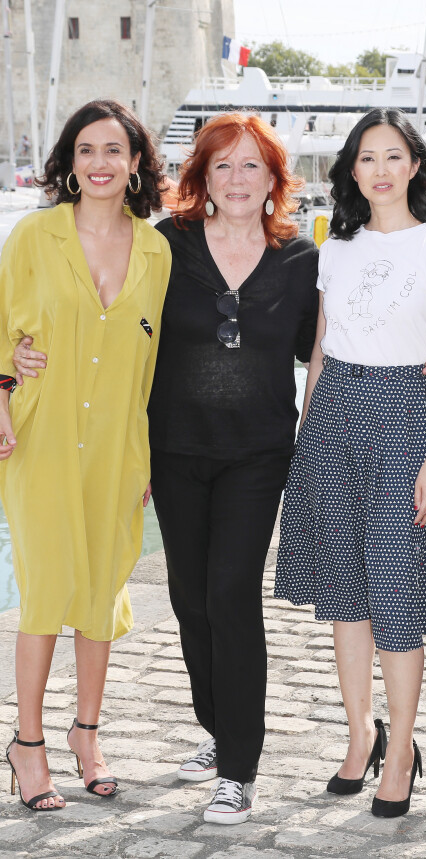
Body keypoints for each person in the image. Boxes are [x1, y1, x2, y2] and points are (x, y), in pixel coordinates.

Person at [275, 107, 426, 818]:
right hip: (333, 417)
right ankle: (360, 733)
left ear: (415, 164)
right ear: (350, 169)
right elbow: (321, 350)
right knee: (346, 594)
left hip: (403, 422)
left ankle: (403, 746)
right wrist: (305, 439)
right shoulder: (337, 246)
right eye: (366, 157)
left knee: (395, 594)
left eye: (393, 156)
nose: (380, 169)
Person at [147, 114, 318, 824]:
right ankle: (218, 730)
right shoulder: (168, 244)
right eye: (223, 166)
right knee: (190, 599)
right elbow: (114, 325)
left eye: (252, 166)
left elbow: (326, 345)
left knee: (230, 594)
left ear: (274, 178)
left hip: (257, 451)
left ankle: (240, 767)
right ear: (202, 177)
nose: (238, 179)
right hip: (175, 448)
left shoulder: (301, 257)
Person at [0, 99, 171, 811]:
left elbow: (163, 363)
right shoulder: (34, 236)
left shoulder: (158, 252)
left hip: (118, 447)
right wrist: (4, 390)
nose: (100, 163)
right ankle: (28, 743)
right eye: (86, 150)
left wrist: (153, 456)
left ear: (136, 164)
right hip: (40, 435)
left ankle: (87, 734)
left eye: (114, 150)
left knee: (100, 589)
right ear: (70, 164)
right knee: (45, 587)